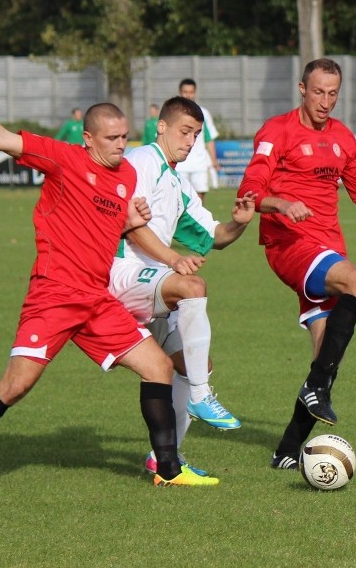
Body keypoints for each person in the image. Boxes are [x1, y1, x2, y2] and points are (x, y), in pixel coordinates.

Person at [0, 86, 220, 494]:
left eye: (125, 137)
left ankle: (168, 468)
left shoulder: (126, 175)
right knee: (15, 386)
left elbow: (120, 226)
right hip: (53, 295)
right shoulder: (63, 158)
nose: (120, 146)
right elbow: (0, 138)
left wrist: (154, 243)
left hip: (96, 298)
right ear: (87, 138)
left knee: (158, 367)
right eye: (111, 139)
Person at [237, 58, 356, 469]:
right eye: (318, 91)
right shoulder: (277, 130)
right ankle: (317, 387)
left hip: (327, 250)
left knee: (327, 356)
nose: (325, 101)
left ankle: (287, 450)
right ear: (302, 89)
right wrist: (281, 203)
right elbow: (250, 191)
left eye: (333, 93)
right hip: (289, 244)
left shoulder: (342, 137)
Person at [109, 96, 256, 474]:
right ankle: (201, 399)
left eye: (196, 135)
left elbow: (214, 235)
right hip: (121, 269)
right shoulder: (142, 161)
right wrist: (173, 259)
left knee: (194, 365)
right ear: (162, 127)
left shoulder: (178, 183)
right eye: (184, 132)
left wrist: (239, 222)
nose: (191, 142)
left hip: (154, 280)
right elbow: (130, 224)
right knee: (192, 287)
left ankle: (164, 459)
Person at [176, 78, 220, 200]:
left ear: (195, 93)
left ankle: (198, 220)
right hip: (180, 164)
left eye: (191, 92)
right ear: (180, 92)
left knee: (199, 198)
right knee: (179, 198)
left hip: (199, 163)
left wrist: (214, 160)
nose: (188, 95)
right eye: (185, 91)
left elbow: (208, 139)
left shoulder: (203, 113)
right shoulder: (174, 113)